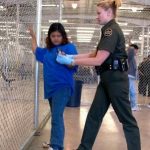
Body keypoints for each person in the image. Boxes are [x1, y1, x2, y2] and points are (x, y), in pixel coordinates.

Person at [56, 0, 141, 150]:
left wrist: (71, 63)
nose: (96, 16)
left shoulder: (111, 31)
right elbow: (93, 54)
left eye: (98, 13)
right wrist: (70, 57)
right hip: (107, 80)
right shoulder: (107, 31)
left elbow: (98, 60)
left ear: (109, 13)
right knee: (94, 116)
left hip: (116, 81)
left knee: (127, 120)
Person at [29, 23, 78, 150]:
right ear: (49, 37)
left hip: (63, 87)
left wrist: (66, 59)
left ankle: (56, 146)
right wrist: (33, 36)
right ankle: (55, 142)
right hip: (51, 89)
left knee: (56, 116)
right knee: (56, 115)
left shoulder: (69, 47)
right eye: (53, 36)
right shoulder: (47, 51)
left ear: (63, 36)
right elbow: (35, 50)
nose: (56, 38)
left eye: (58, 35)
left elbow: (74, 65)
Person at [127, 44, 140, 111]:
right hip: (129, 76)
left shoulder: (132, 57)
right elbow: (131, 50)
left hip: (131, 76)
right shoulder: (130, 55)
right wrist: (131, 45)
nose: (136, 52)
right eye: (136, 51)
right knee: (132, 91)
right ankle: (133, 106)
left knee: (131, 91)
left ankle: (133, 105)